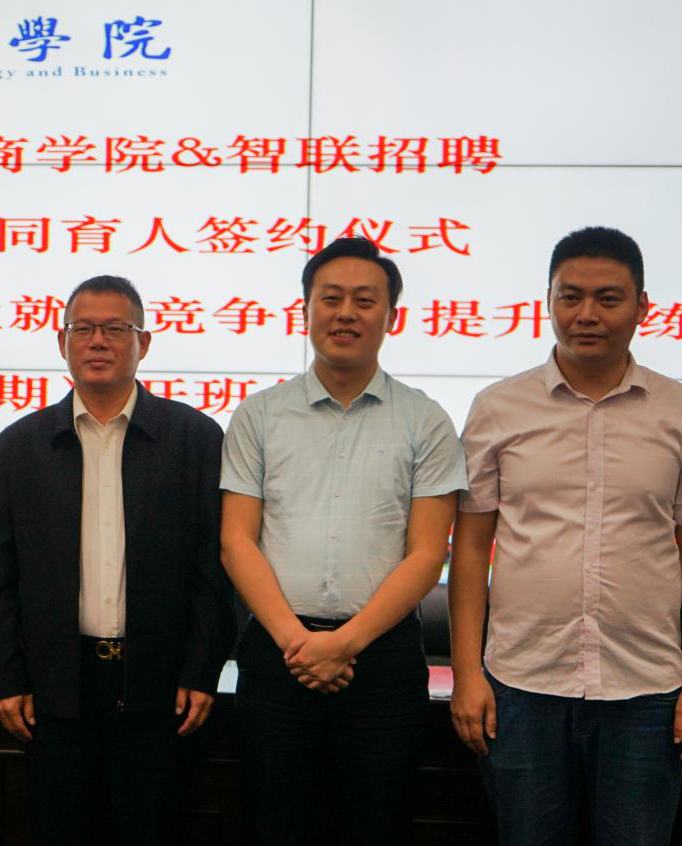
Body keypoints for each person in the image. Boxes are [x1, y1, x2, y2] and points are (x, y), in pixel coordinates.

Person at [449, 226, 682, 845]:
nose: (586, 315)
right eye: (570, 296)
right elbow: (469, 546)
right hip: (521, 683)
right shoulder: (498, 407)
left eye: (608, 298)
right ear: (548, 301)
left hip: (645, 688)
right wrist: (467, 672)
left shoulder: (681, 410)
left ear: (642, 307)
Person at [220, 237, 466, 844]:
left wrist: (343, 645)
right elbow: (237, 542)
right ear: (306, 309)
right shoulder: (259, 415)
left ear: (391, 316)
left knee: (378, 820)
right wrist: (299, 644)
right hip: (278, 655)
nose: (345, 313)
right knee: (271, 821)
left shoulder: (425, 420)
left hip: (381, 661)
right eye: (330, 299)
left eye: (364, 300)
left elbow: (427, 553)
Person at [0, 275, 234, 846]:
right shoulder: (21, 445)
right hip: (55, 690)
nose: (98, 341)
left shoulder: (194, 438)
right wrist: (7, 676)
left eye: (116, 329)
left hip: (160, 689)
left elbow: (213, 570)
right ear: (61, 342)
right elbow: (1, 574)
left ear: (144, 343)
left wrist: (202, 670)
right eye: (83, 329)